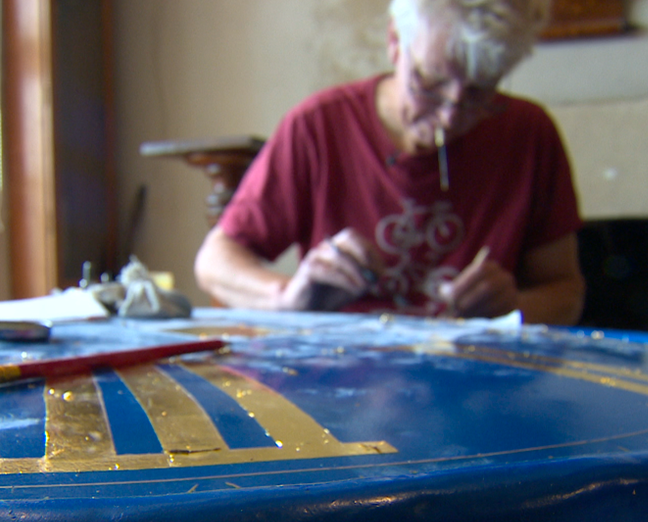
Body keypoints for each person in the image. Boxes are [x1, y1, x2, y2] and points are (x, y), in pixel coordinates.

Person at [194, 0, 585, 325]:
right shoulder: (319, 125)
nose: (451, 116)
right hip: (342, 384)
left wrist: (513, 305)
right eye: (430, 83)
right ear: (396, 42)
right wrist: (287, 297)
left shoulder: (530, 133)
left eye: (480, 93)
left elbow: (566, 293)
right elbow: (214, 262)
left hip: (473, 384)